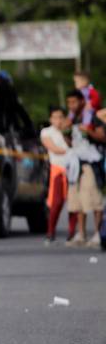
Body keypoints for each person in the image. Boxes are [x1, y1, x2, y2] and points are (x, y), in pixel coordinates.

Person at [65, 89, 104, 247]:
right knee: (78, 202)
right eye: (69, 103)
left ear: (82, 101)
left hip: (90, 163)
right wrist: (65, 134)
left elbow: (102, 137)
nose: (71, 105)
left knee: (94, 200)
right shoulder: (73, 119)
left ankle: (98, 233)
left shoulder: (92, 118)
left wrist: (89, 131)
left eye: (74, 102)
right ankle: (81, 234)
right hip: (76, 164)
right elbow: (71, 143)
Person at [40, 106, 73, 244]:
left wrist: (67, 133)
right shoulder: (46, 132)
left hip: (72, 170)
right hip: (57, 170)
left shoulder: (69, 132)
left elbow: (73, 144)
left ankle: (72, 233)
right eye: (55, 117)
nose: (58, 120)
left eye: (61, 117)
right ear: (50, 119)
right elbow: (54, 149)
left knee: (74, 204)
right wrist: (71, 151)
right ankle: (50, 231)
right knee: (56, 203)